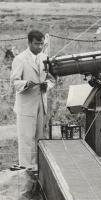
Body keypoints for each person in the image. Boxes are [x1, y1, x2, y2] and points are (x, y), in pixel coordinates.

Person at [10, 30, 54, 170]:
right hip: (26, 105)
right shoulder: (20, 59)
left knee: (40, 137)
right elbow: (14, 82)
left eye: (41, 44)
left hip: (41, 103)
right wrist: (26, 84)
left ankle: (39, 169)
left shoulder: (45, 57)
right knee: (26, 138)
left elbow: (52, 78)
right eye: (36, 44)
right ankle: (26, 169)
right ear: (29, 43)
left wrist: (47, 85)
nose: (39, 47)